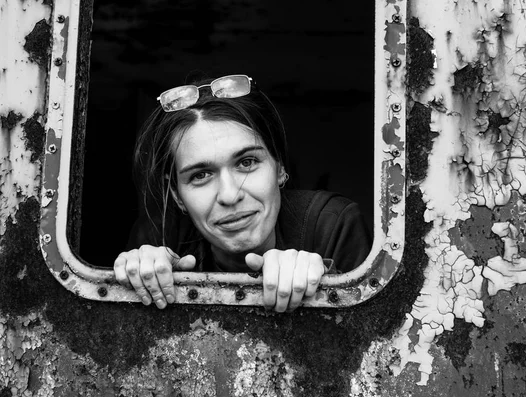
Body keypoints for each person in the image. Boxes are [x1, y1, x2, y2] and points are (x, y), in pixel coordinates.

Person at [113, 73, 373, 312]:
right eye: (200, 175)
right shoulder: (158, 236)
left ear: (280, 166)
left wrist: (325, 279)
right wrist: (140, 275)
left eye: (246, 163)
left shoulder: (331, 223)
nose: (229, 195)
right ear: (177, 194)